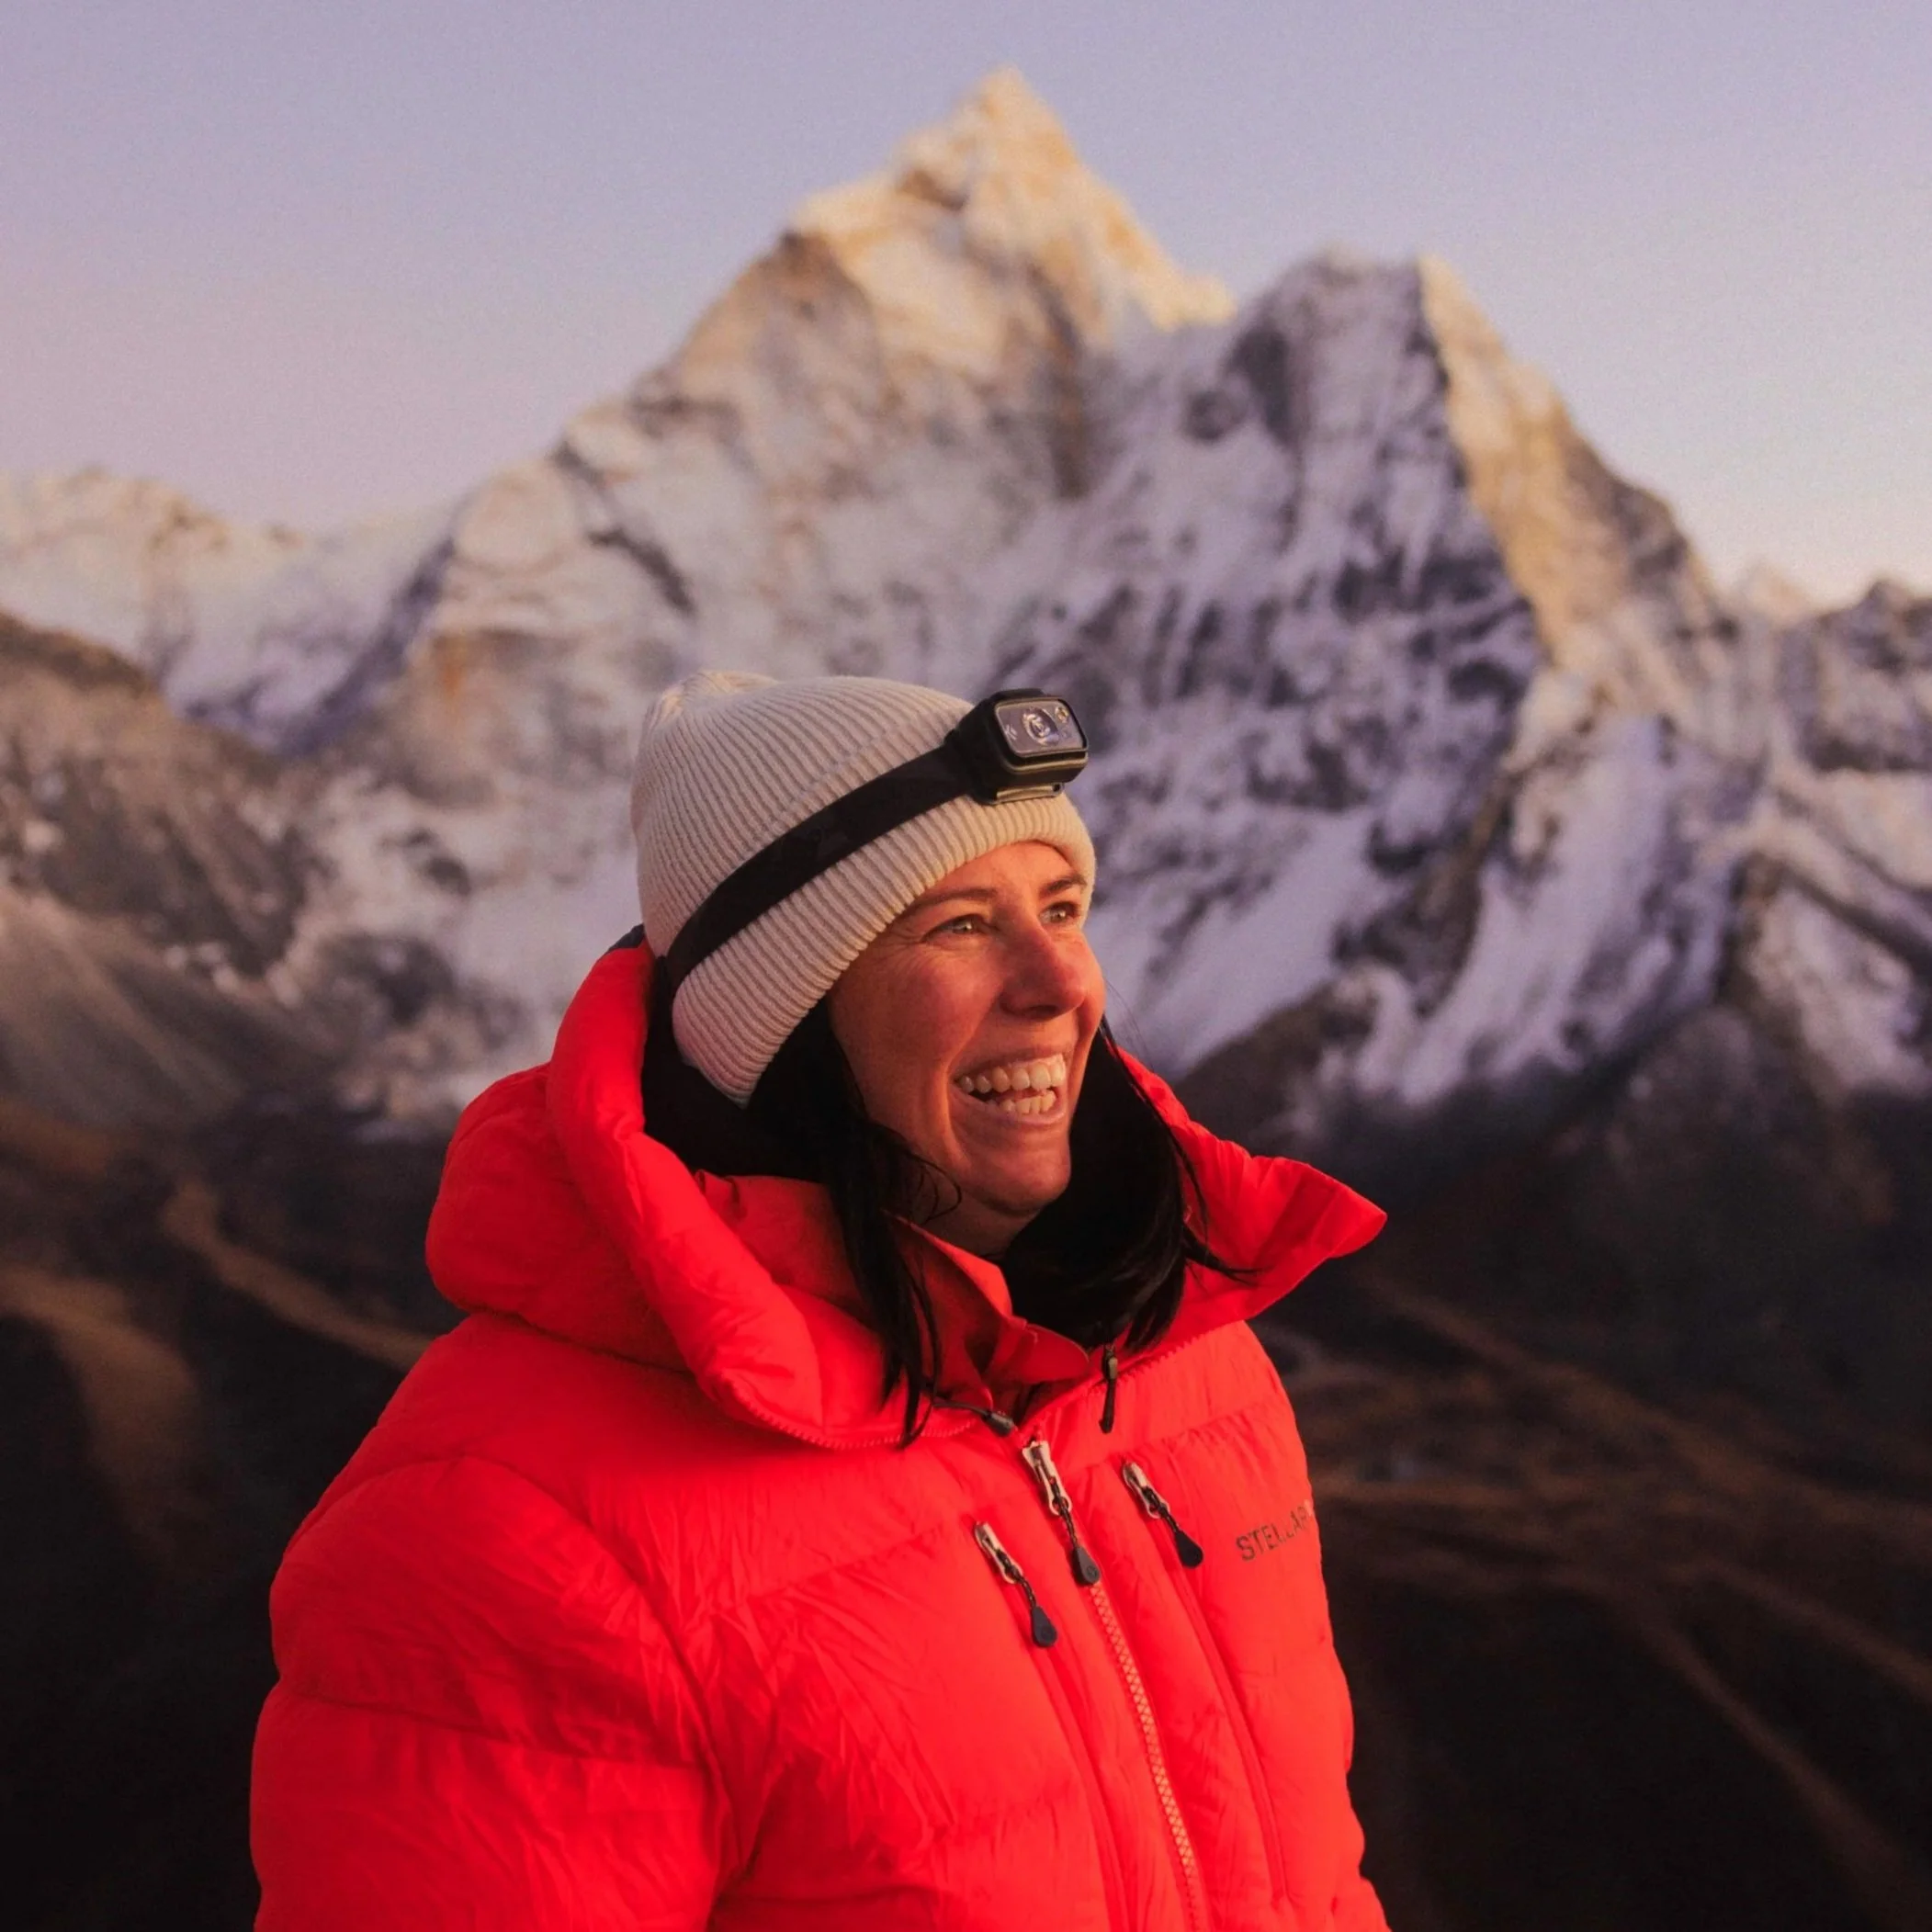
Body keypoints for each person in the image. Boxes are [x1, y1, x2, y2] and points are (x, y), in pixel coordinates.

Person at [251, 671, 1390, 1930]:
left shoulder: (1180, 1358)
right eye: (960, 924)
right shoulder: (499, 1540)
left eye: (1063, 907)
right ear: (779, 1027)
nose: (1060, 979)